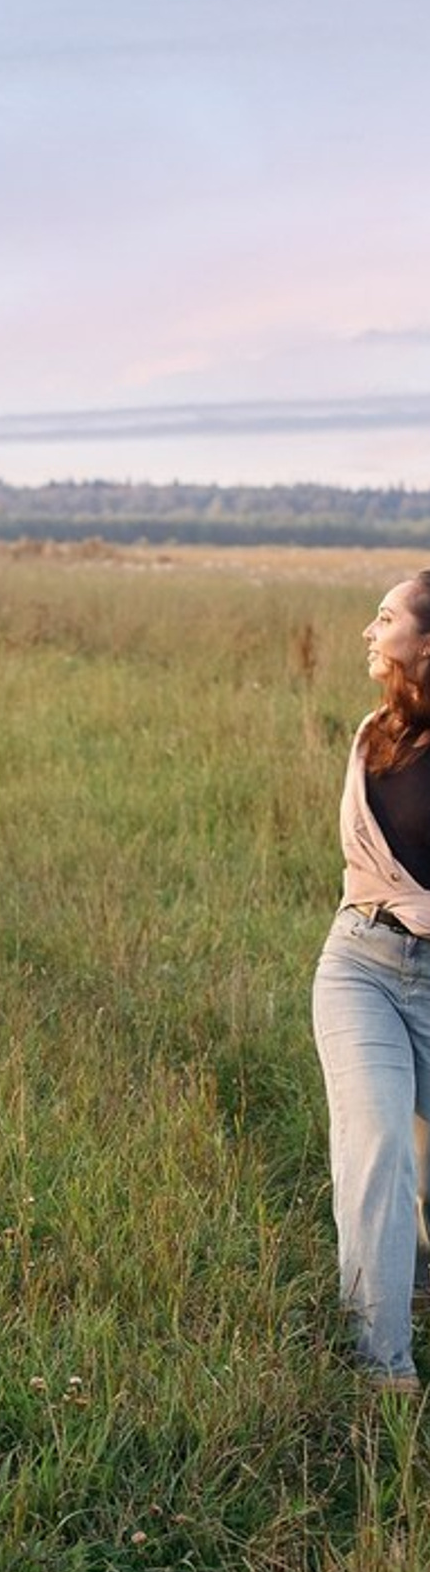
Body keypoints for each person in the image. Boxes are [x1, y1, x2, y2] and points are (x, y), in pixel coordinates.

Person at [313, 572, 430, 1395]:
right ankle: (382, 1371)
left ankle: (414, 1266)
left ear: (425, 643)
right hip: (361, 963)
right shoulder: (371, 734)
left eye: (385, 618)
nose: (367, 629)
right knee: (380, 1143)